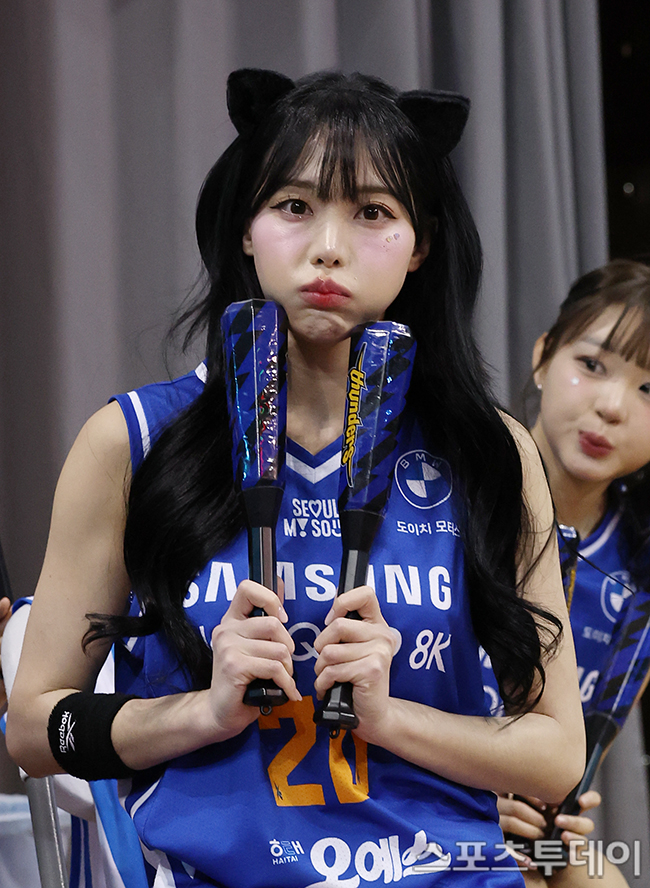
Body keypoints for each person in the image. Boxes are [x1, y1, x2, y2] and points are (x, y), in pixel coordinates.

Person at [5, 69, 584, 887]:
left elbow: (556, 754)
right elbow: (34, 730)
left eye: (373, 212)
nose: (329, 247)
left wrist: (389, 718)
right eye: (294, 205)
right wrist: (203, 712)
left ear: (420, 245)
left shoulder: (490, 452)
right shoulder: (131, 443)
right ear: (246, 228)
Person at [485, 259, 650, 887]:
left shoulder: (639, 570)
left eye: (648, 390)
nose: (611, 406)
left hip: (532, 843)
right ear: (542, 356)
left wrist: (557, 823)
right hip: (413, 804)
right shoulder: (448, 493)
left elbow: (578, 766)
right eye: (593, 365)